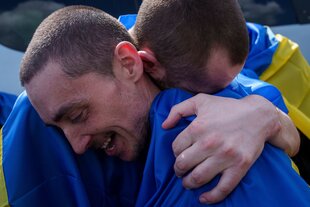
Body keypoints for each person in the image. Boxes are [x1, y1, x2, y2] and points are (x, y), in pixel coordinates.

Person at [18, 5, 310, 206]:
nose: (75, 145)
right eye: (60, 125)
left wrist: (266, 113)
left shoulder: (193, 63)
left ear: (131, 63)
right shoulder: (43, 107)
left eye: (79, 115)